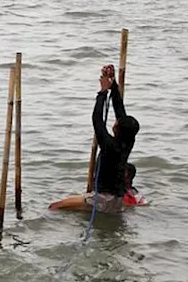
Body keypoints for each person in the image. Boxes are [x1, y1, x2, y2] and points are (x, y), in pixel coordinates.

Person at [49, 65, 139, 214]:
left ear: (117, 129)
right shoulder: (128, 141)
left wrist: (103, 92)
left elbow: (97, 119)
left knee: (55, 207)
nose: (115, 122)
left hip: (104, 200)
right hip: (117, 199)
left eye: (117, 123)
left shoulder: (110, 146)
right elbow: (119, 109)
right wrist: (113, 85)